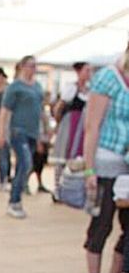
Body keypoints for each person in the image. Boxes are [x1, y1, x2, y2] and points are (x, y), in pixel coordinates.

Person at [81, 45, 129, 273]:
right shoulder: (108, 78)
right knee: (102, 224)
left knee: (127, 228)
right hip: (106, 163)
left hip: (127, 167)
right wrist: (90, 169)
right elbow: (92, 126)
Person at [0, 55, 43, 219]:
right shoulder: (15, 87)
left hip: (32, 132)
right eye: (30, 65)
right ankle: (14, 201)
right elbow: (5, 110)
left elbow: (40, 112)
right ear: (22, 67)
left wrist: (40, 137)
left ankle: (16, 196)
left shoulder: (38, 87)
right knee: (25, 162)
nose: (33, 69)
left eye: (35, 66)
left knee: (23, 167)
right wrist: (1, 132)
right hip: (18, 131)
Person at [52, 61, 91, 194]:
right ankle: (58, 188)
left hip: (83, 125)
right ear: (79, 72)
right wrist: (59, 124)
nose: (89, 74)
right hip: (70, 123)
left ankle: (75, 188)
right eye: (87, 70)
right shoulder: (71, 88)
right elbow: (59, 107)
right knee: (63, 155)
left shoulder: (90, 90)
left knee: (80, 157)